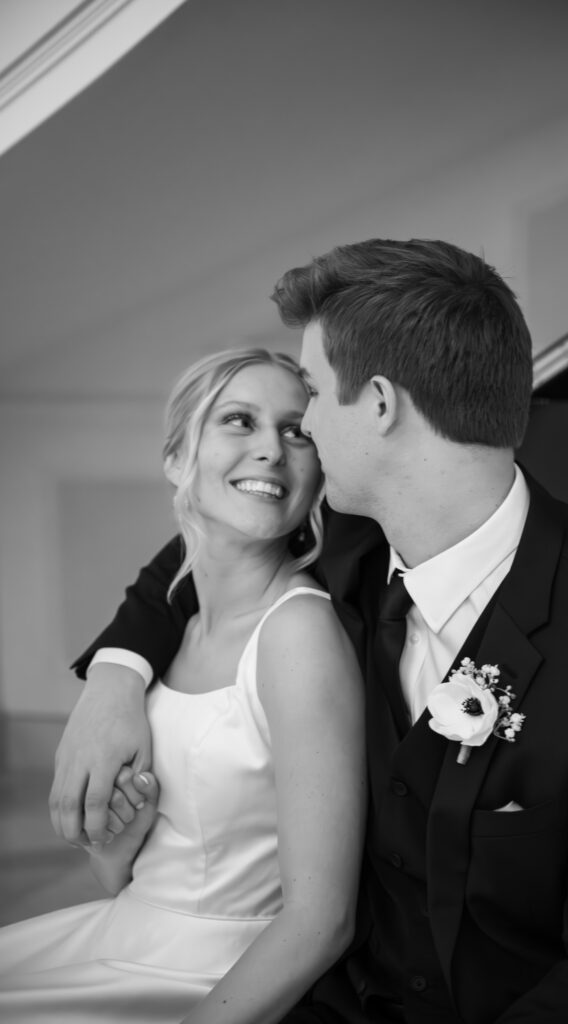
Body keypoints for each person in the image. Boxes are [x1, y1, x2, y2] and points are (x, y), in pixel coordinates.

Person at [50, 239, 568, 1023]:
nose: (300, 428)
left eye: (310, 394)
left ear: (378, 404)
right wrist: (115, 678)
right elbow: (198, 551)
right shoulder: (348, 536)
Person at [0, 348, 366, 1024]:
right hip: (122, 935)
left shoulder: (297, 634)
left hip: (213, 980)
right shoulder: (173, 625)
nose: (271, 450)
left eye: (295, 430)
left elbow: (322, 921)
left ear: (318, 474)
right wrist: (113, 834)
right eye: (238, 420)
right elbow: (130, 879)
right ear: (176, 460)